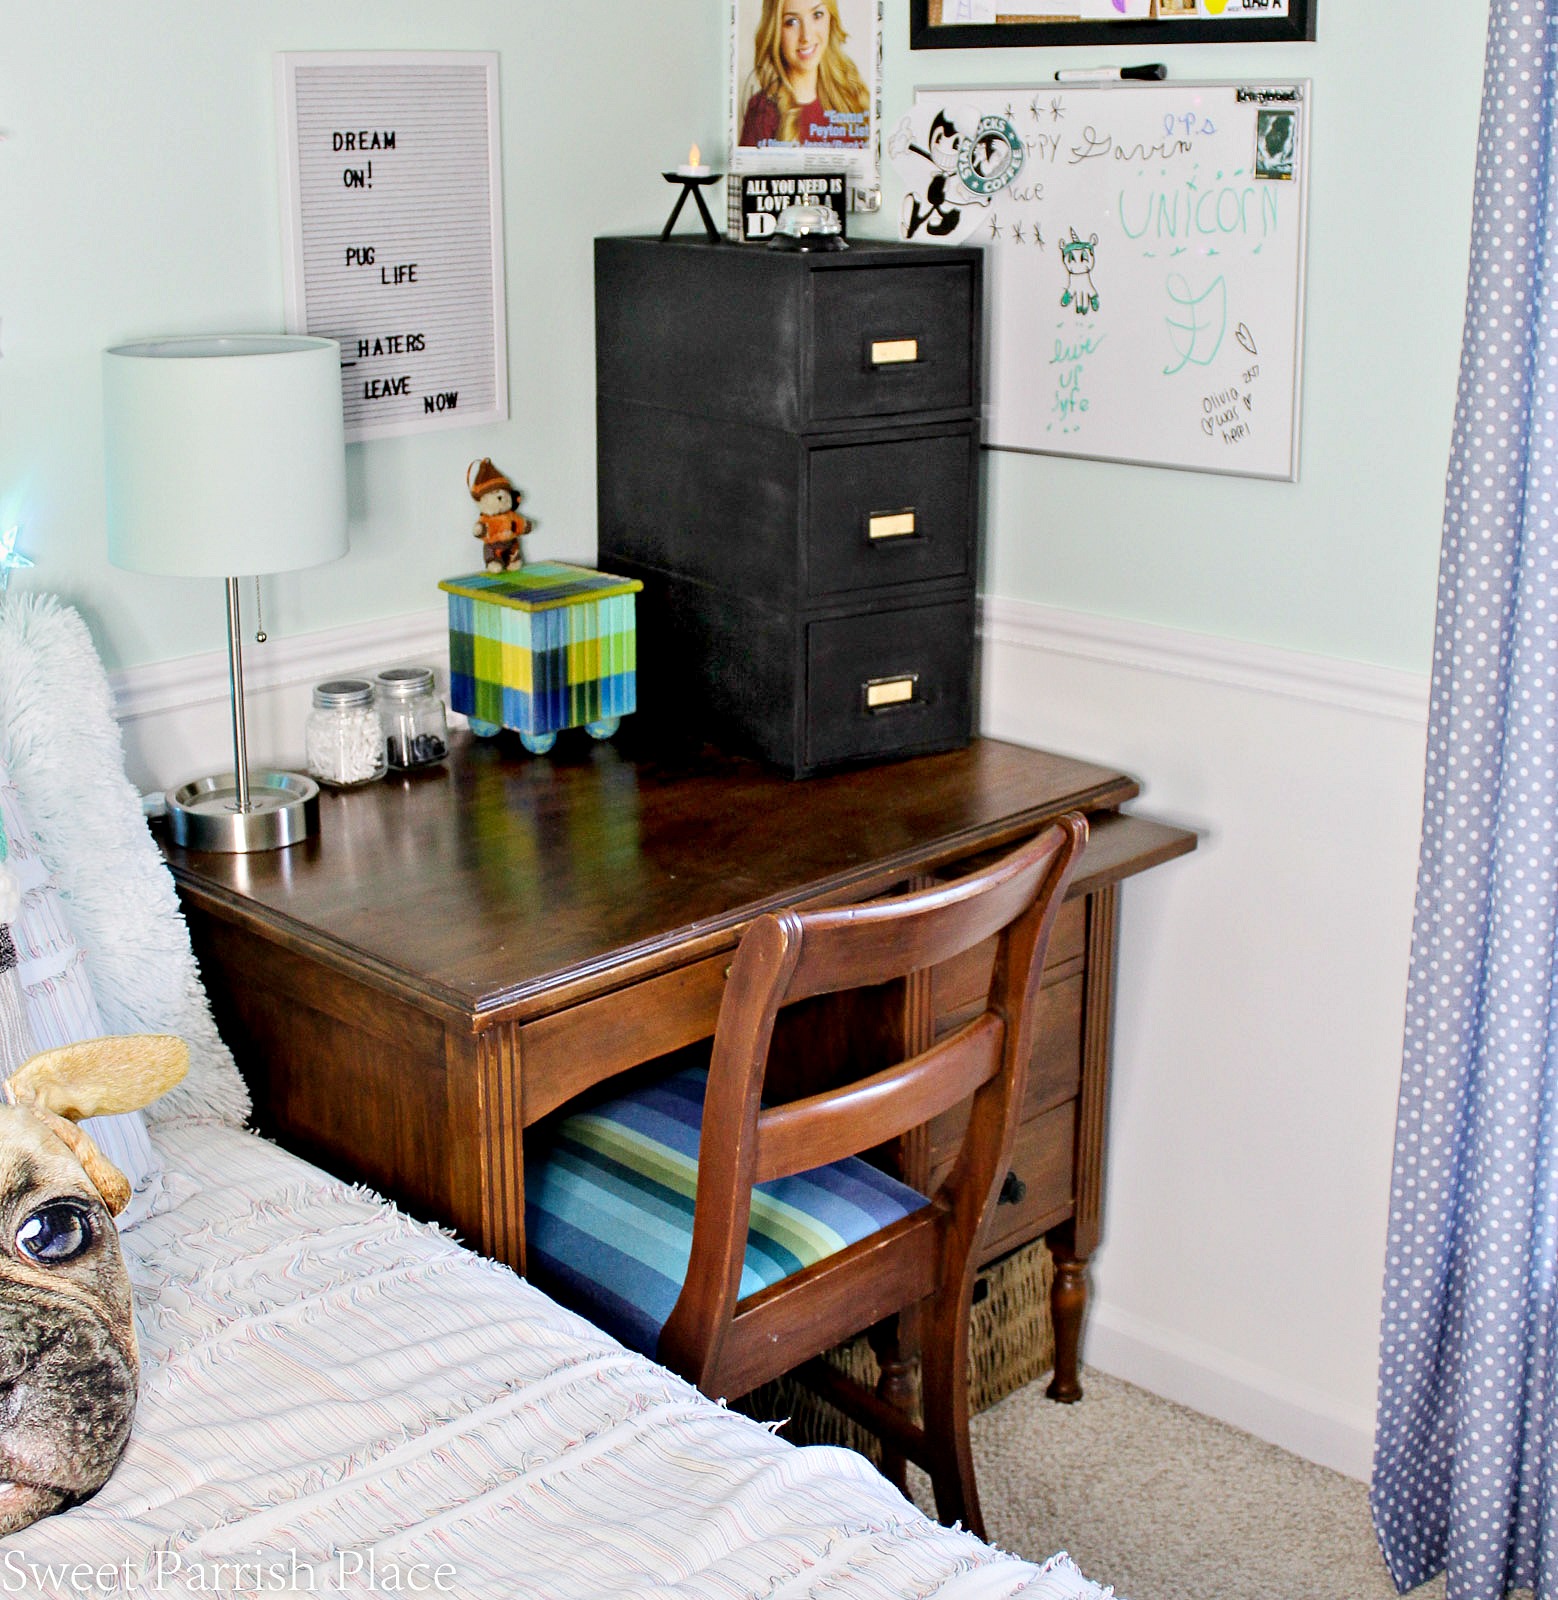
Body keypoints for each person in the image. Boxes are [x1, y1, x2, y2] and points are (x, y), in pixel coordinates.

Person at [738, 0, 869, 150]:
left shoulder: (852, 92)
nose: (806, 36)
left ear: (831, 19)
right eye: (791, 22)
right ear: (775, 31)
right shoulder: (763, 111)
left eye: (817, 15)